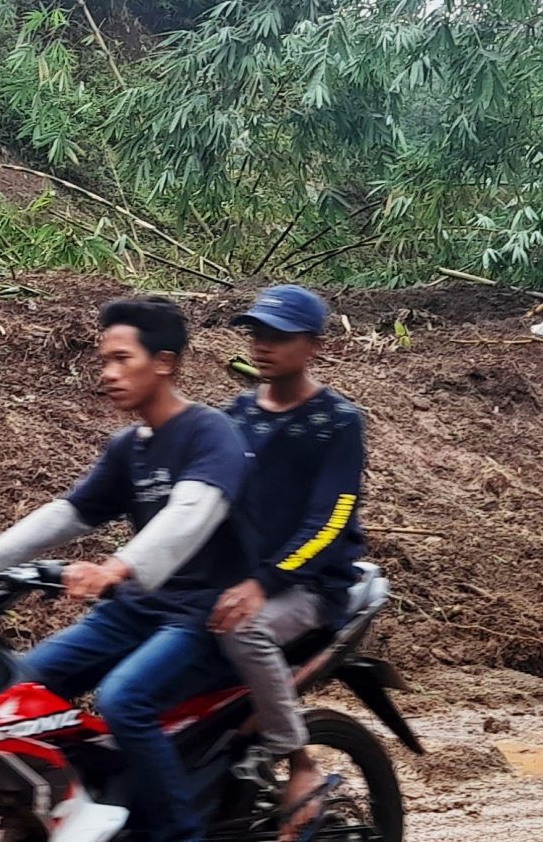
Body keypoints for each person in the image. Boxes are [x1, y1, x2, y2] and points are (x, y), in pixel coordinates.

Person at [0, 295, 247, 842]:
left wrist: (117, 567)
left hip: (201, 619)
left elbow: (192, 512)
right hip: (137, 611)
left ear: (163, 363)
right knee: (17, 690)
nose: (108, 374)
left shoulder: (211, 433)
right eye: (104, 360)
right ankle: (79, 809)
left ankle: (178, 833)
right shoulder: (128, 448)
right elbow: (69, 513)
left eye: (122, 359)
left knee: (124, 700)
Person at [209, 285, 368, 842]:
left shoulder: (338, 422)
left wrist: (265, 580)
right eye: (257, 334)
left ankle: (297, 759)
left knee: (244, 632)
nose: (263, 345)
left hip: (313, 585)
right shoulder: (238, 414)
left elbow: (332, 520)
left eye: (279, 336)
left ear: (314, 347)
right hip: (245, 578)